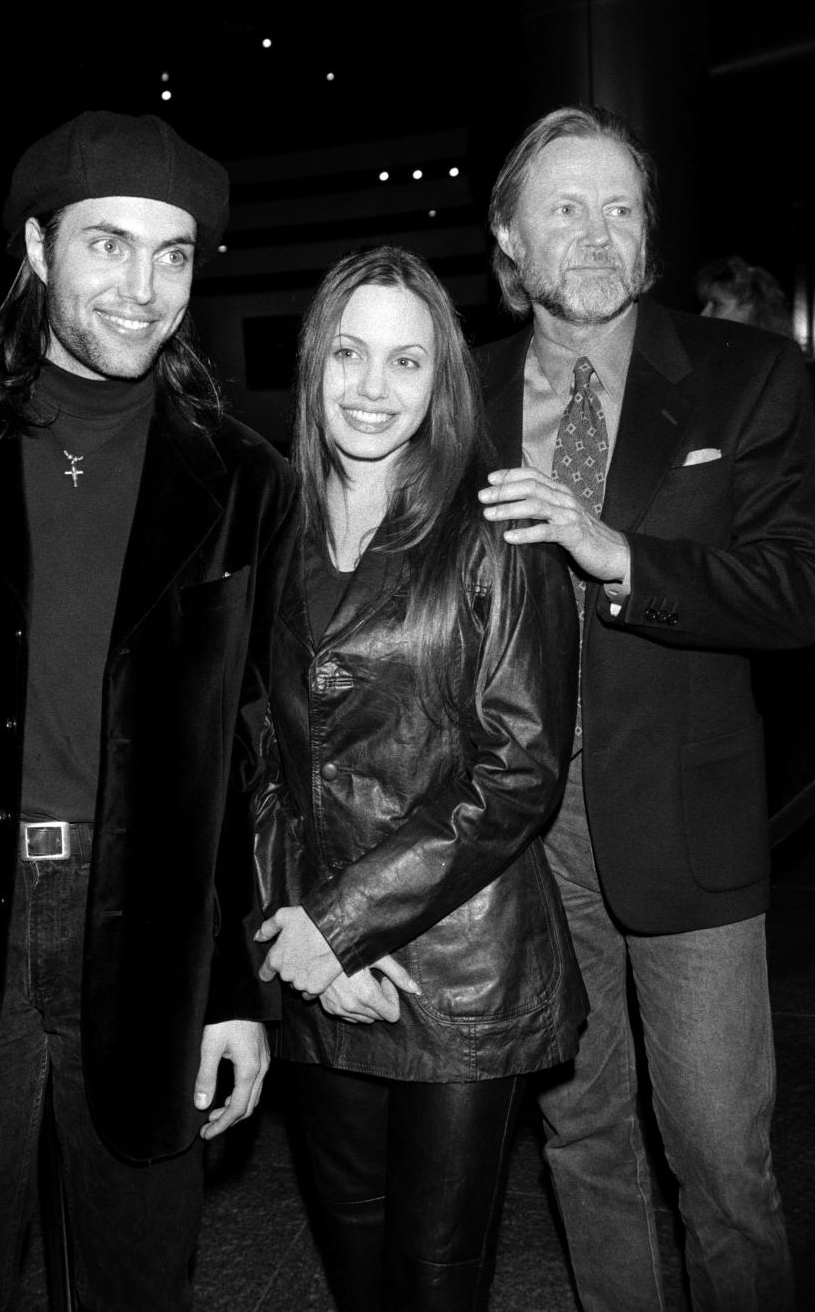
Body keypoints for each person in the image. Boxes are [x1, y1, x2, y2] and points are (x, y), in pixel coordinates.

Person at [0, 109, 297, 1310]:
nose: (144, 288)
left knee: (139, 1281)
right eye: (109, 245)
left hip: (150, 938)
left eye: (175, 255)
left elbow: (246, 761)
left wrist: (232, 993)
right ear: (40, 251)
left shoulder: (244, 480)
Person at [478, 104, 815, 1312]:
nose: (597, 232)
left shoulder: (749, 375)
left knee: (723, 1164)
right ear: (510, 238)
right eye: (564, 207)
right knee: (583, 1140)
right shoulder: (458, 393)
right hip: (523, 831)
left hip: (688, 817)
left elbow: (796, 586)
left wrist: (620, 555)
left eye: (621, 208)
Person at [252, 245, 588, 1311]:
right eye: (348, 353)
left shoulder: (497, 532)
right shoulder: (271, 528)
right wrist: (297, 930)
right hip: (309, 956)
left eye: (406, 362)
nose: (371, 387)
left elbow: (519, 772)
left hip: (457, 967)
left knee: (435, 1275)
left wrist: (346, 924)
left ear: (441, 380)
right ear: (314, 367)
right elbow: (252, 755)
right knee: (355, 1261)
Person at [696, 254, 796, 338]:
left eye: (716, 304)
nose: (703, 314)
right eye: (705, 304)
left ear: (750, 307)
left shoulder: (773, 358)